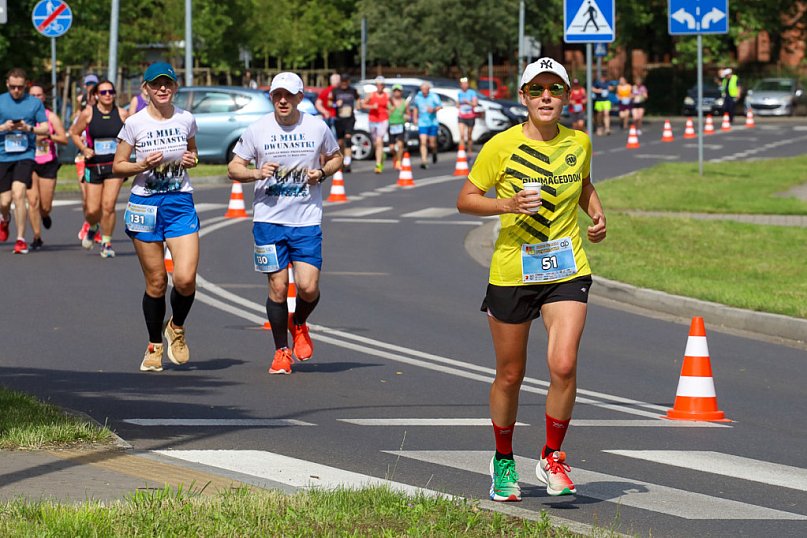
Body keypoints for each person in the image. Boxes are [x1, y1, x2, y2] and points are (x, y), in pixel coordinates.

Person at [456, 57, 607, 502]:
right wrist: (506, 206)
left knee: (563, 364)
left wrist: (596, 213)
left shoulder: (579, 141)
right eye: (537, 89)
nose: (546, 96)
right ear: (523, 96)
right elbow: (465, 200)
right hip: (513, 270)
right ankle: (503, 459)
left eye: (555, 89)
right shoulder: (500, 146)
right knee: (510, 373)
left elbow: (582, 183)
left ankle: (552, 456)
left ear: (566, 95)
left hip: (566, 266)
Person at [227, 72, 342, 375]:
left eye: (288, 95)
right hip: (269, 220)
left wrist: (322, 173)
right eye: (277, 94)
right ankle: (281, 352)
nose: (282, 100)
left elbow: (336, 157)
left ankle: (300, 323)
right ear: (271, 97)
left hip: (305, 221)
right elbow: (233, 167)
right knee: (278, 289)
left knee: (308, 287)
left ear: (300, 98)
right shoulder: (257, 129)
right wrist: (256, 173)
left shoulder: (317, 127)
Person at [112, 61, 201, 372]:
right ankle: (154, 345)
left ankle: (176, 327)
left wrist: (192, 159)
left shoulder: (186, 119)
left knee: (186, 279)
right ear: (145, 89)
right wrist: (140, 166)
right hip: (145, 206)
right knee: (157, 282)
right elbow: (118, 165)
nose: (162, 88)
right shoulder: (135, 123)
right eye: (155, 84)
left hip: (179, 203)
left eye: (168, 83)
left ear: (175, 87)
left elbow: (193, 153)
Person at [69, 80, 128, 258]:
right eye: (103, 92)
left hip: (114, 166)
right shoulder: (88, 113)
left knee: (108, 206)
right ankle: (93, 226)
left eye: (111, 91)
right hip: (93, 166)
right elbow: (73, 132)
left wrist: (125, 150)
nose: (108, 95)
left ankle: (107, 242)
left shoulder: (123, 114)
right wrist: (84, 148)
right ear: (96, 95)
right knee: (93, 209)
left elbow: (133, 135)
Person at [0, 68, 49, 254]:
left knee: (19, 193)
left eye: (20, 87)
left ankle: (20, 239)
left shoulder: (34, 103)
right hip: (2, 156)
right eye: (12, 87)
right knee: (4, 201)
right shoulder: (1, 101)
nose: (16, 91)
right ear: (7, 84)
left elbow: (45, 128)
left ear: (25, 86)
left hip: (25, 155)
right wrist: (3, 127)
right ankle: (4, 219)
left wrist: (29, 128)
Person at [28, 84, 68, 249]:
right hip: (28, 161)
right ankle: (37, 237)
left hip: (48, 162)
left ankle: (45, 215)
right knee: (32, 201)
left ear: (44, 97)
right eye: (33, 95)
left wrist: (48, 136)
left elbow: (64, 139)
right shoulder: (23, 117)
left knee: (45, 205)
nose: (36, 98)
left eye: (39, 95)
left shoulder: (50, 117)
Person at [331, 73, 359, 173]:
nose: (344, 83)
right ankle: (341, 162)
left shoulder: (353, 90)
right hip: (339, 119)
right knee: (340, 142)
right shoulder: (335, 91)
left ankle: (347, 162)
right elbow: (329, 103)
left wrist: (358, 105)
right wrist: (335, 104)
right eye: (342, 81)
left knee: (348, 139)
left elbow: (358, 99)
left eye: (346, 81)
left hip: (350, 118)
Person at [410, 81, 442, 169]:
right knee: (423, 141)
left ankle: (434, 152)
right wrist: (415, 118)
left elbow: (440, 106)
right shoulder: (418, 97)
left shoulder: (433, 96)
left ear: (428, 89)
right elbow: (416, 107)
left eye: (426, 89)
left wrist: (434, 109)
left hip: (432, 122)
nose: (424, 91)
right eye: (423, 89)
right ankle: (424, 160)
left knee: (432, 144)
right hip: (422, 123)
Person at [363, 76, 389, 174]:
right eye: (378, 85)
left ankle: (378, 165)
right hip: (372, 120)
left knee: (379, 141)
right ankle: (382, 155)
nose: (380, 86)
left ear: (384, 86)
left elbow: (392, 106)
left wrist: (390, 111)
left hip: (383, 120)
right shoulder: (371, 95)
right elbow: (363, 105)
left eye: (381, 85)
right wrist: (371, 106)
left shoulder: (387, 95)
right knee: (375, 143)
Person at [387, 84, 408, 170]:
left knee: (400, 145)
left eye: (398, 91)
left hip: (400, 124)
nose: (396, 93)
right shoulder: (389, 102)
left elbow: (408, 113)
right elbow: (386, 113)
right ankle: (395, 157)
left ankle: (399, 161)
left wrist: (406, 117)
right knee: (391, 147)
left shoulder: (404, 102)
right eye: (395, 91)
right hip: (391, 125)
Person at [457, 77, 478, 156]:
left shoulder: (472, 92)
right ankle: (461, 153)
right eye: (463, 84)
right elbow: (458, 103)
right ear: (461, 85)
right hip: (461, 116)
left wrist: (468, 102)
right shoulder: (459, 93)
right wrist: (458, 104)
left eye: (466, 84)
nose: (464, 85)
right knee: (462, 135)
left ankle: (469, 151)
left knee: (469, 135)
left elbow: (475, 104)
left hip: (470, 116)